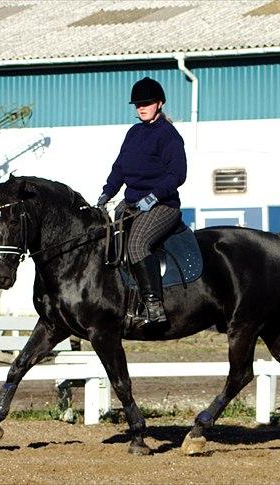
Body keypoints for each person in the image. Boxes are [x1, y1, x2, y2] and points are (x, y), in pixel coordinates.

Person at [97, 77, 187, 327]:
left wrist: (154, 196)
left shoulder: (168, 135)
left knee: (136, 244)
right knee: (110, 244)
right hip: (132, 204)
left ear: (159, 104)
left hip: (162, 205)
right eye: (138, 104)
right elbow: (120, 168)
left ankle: (154, 306)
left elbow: (177, 174)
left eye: (146, 103)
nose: (141, 107)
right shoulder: (133, 133)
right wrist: (107, 192)